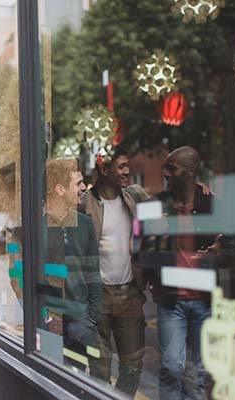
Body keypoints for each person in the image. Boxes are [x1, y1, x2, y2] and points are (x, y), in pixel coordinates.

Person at [140, 146, 231, 399]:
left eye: (172, 168)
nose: (165, 172)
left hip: (204, 301)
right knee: (171, 366)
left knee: (196, 373)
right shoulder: (153, 205)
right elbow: (141, 253)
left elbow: (231, 252)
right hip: (172, 302)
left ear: (190, 173)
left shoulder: (211, 204)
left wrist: (218, 254)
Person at [82, 147, 149, 395]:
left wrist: (197, 188)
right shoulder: (85, 203)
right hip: (99, 296)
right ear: (104, 169)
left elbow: (167, 203)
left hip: (130, 294)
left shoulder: (134, 196)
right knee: (99, 368)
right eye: (121, 166)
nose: (127, 171)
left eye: (127, 166)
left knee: (133, 367)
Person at [44, 159, 101, 374]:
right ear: (59, 189)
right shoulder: (37, 227)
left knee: (77, 382)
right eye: (78, 183)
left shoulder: (84, 224)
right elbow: (21, 277)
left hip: (81, 322)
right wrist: (43, 315)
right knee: (50, 381)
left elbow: (93, 272)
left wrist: (92, 317)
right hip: (49, 324)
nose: (84, 187)